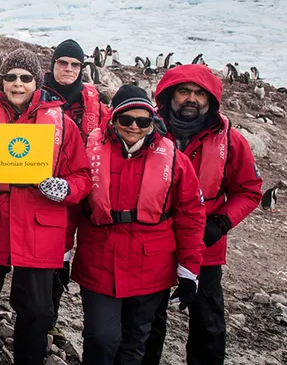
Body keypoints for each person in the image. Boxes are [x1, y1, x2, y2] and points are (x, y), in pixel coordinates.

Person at [0, 49, 91, 365]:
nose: (18, 84)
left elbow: (82, 176)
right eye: (11, 77)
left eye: (25, 77)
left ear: (37, 82)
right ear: (1, 81)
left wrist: (65, 188)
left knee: (37, 310)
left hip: (39, 229)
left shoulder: (63, 124)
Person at [70, 84, 206, 365]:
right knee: (100, 337)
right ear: (114, 119)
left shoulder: (176, 162)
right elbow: (72, 210)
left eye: (143, 121)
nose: (134, 126)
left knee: (135, 341)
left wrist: (189, 268)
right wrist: (61, 253)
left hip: (151, 266)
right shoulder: (88, 153)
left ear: (152, 122)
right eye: (126, 119)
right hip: (99, 261)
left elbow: (191, 216)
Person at [143, 64, 262, 365]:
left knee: (208, 322)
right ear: (170, 95)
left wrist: (220, 222)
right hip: (154, 238)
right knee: (146, 320)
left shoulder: (229, 140)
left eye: (199, 93)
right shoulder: (146, 130)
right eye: (184, 92)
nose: (191, 99)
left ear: (211, 100)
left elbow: (249, 189)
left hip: (203, 243)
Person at [41, 39, 111, 338]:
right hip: (44, 189)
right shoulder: (36, 94)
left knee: (73, 255)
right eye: (62, 63)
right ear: (53, 64)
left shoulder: (93, 103)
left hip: (82, 188)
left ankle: (59, 317)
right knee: (47, 255)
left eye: (74, 64)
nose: (68, 69)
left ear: (82, 68)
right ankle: (42, 315)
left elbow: (114, 134)